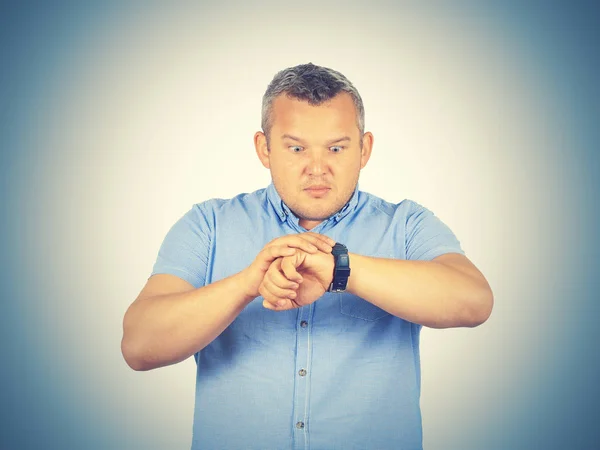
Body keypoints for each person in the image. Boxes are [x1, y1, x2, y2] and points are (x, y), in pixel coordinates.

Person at [121, 63, 493, 450]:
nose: (317, 168)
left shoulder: (406, 224)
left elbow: (474, 302)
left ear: (364, 149)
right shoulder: (208, 224)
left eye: (336, 148)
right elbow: (139, 345)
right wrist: (248, 283)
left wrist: (342, 270)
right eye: (296, 148)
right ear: (264, 149)